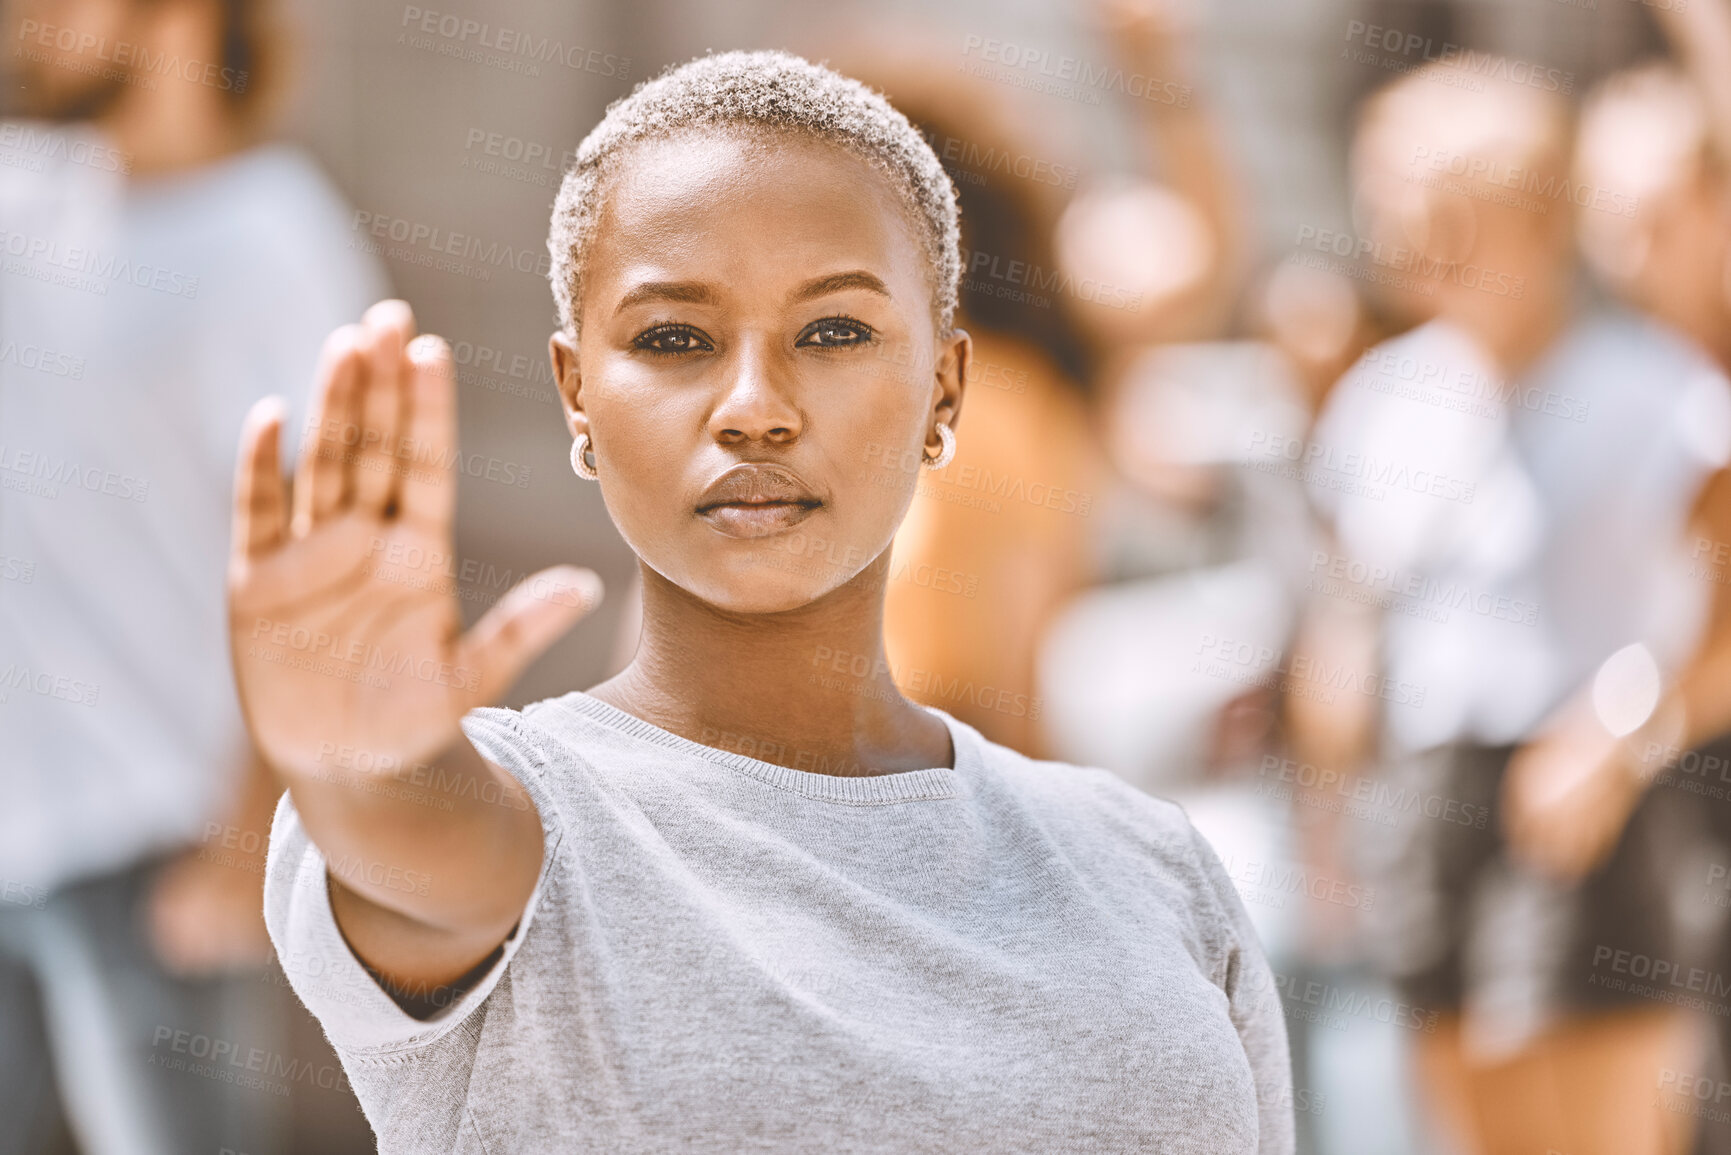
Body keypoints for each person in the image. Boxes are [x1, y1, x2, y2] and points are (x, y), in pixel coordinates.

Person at [238, 50, 1295, 1153]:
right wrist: (359, 765)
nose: (754, 407)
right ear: (578, 396)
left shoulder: (1152, 864)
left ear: (945, 388)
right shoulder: (533, 822)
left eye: (834, 331)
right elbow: (412, 852)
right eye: (674, 339)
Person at [0, 0, 387, 1151]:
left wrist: (245, 837)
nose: (28, 26)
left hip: (155, 838)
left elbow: (328, 564)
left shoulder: (273, 242)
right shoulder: (32, 199)